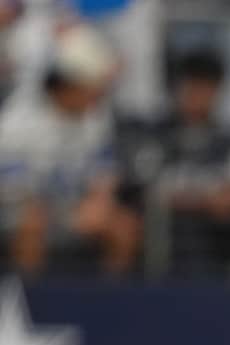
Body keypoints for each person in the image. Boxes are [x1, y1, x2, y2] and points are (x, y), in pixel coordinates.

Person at [124, 47, 230, 277]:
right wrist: (204, 200)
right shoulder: (154, 136)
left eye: (206, 88)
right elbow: (145, 190)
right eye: (192, 86)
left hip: (219, 230)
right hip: (170, 228)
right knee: (176, 229)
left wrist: (225, 201)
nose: (198, 96)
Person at [0, 23, 139, 275]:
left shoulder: (95, 117)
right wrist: (56, 212)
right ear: (67, 85)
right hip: (20, 211)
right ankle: (33, 302)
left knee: (123, 226)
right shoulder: (16, 122)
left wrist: (98, 202)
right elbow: (12, 190)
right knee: (32, 224)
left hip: (73, 209)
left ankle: (110, 303)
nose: (95, 94)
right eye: (89, 86)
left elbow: (104, 172)